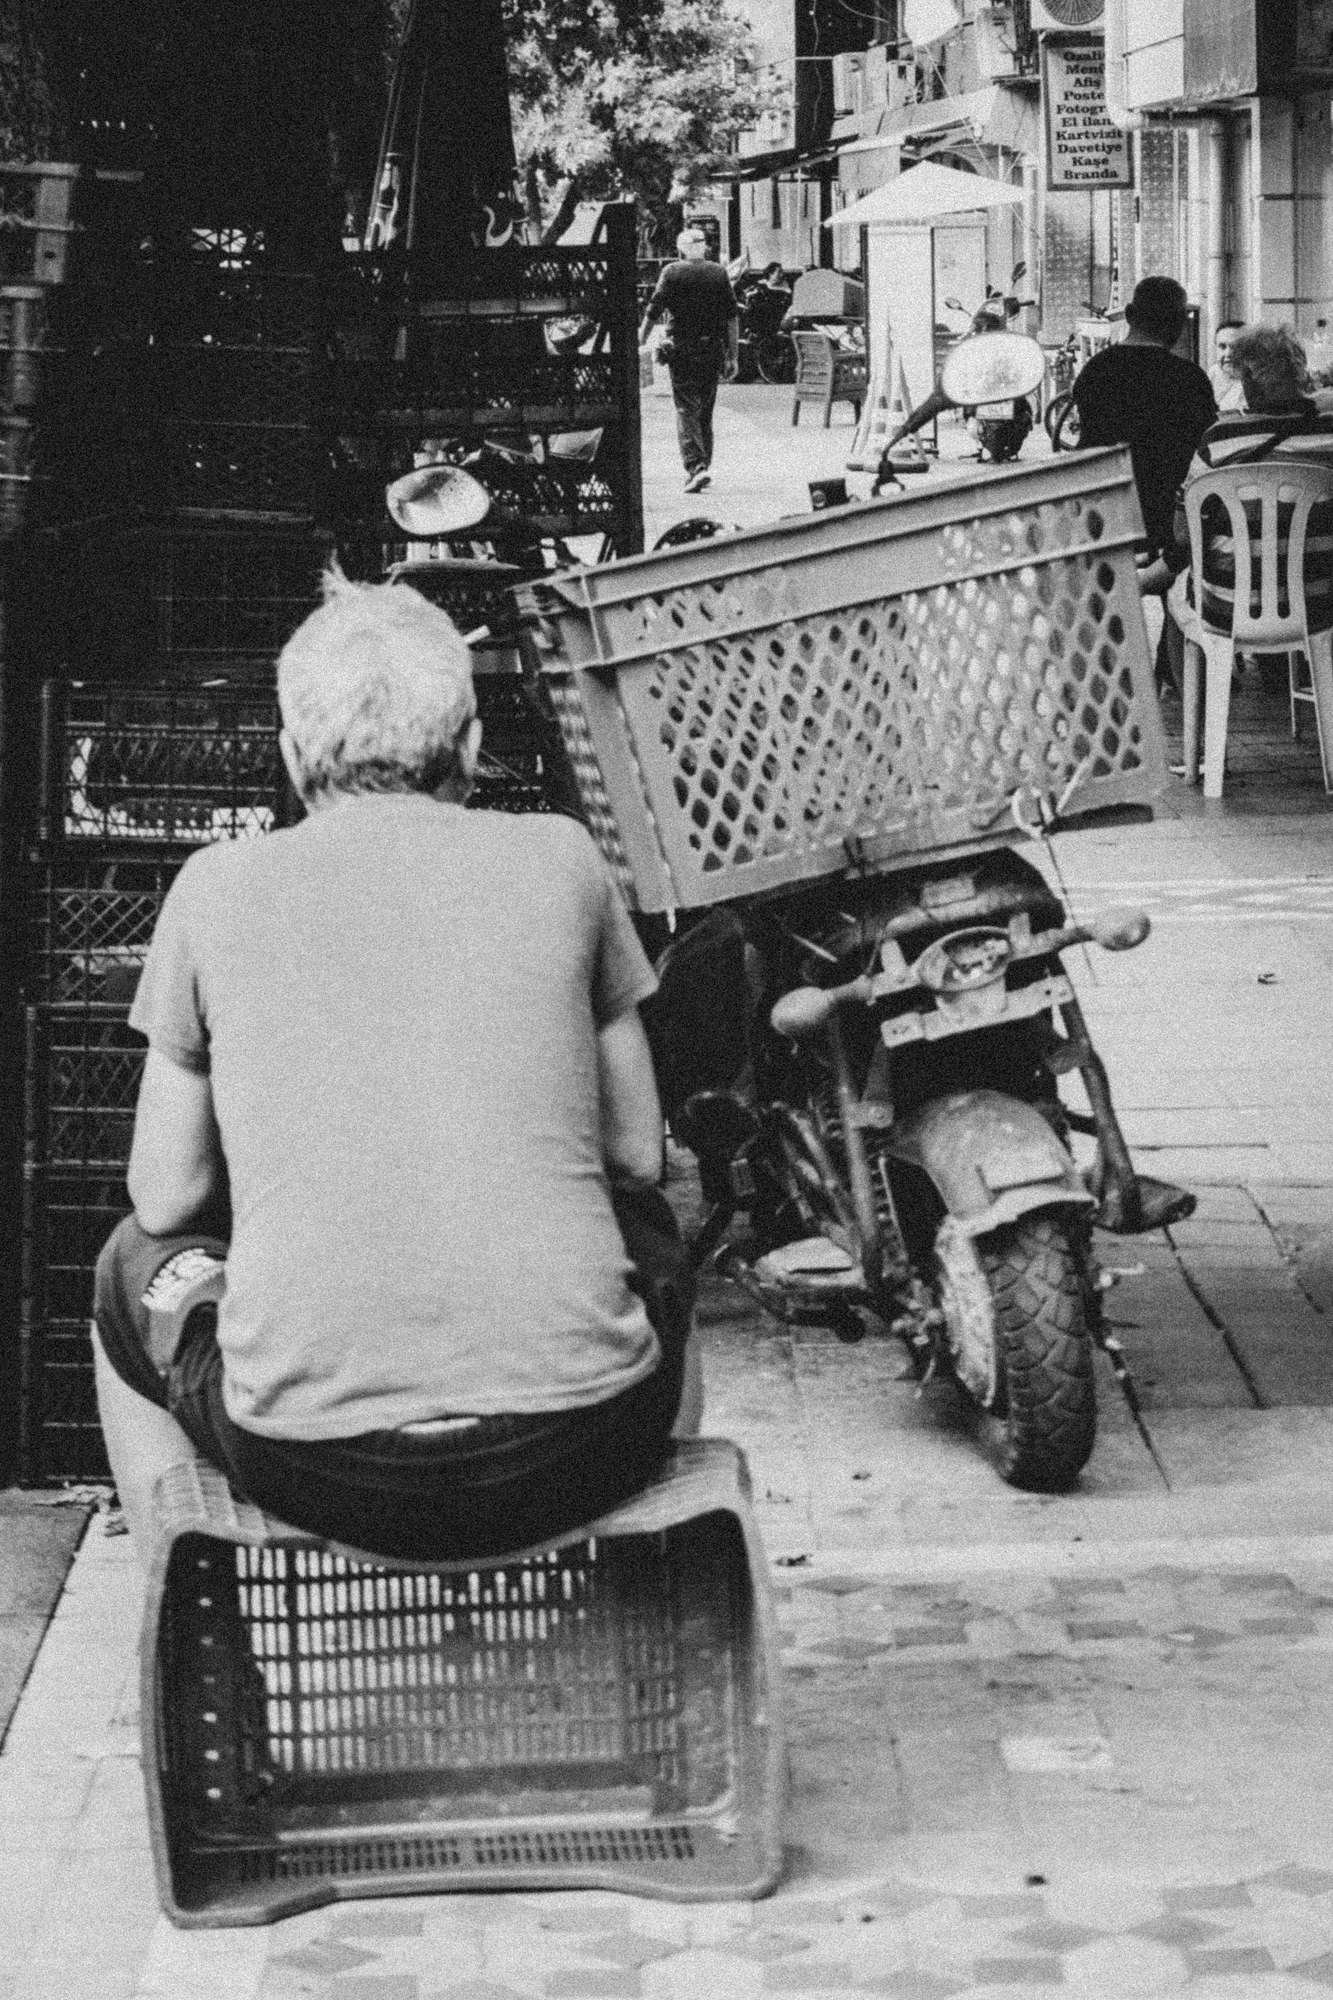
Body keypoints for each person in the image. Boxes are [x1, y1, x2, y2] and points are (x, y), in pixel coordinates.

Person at [92, 571, 701, 1567]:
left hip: (315, 1461)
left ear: (292, 757)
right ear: (468, 748)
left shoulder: (214, 886)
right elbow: (636, 1152)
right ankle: (650, 1578)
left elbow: (166, 1194)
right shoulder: (564, 857)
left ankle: (197, 1607)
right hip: (577, 1442)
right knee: (656, 1238)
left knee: (126, 1269)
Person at [1162, 322, 1333, 687]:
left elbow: (1182, 533)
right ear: (1301, 376)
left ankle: (1196, 716)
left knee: (1175, 589)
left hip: (1229, 607)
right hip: (1321, 604)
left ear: (1250, 381)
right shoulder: (1328, 435)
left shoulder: (1219, 440)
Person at [1072, 276, 1217, 570]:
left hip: (1105, 515)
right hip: (1168, 523)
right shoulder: (1191, 380)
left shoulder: (1094, 371)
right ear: (1179, 323)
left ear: (1128, 314)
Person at [639, 225, 739, 493]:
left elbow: (654, 308)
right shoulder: (718, 273)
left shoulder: (671, 272)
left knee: (686, 408)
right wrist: (733, 356)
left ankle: (696, 467)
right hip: (712, 349)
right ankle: (703, 464)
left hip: (682, 350)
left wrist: (641, 337)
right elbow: (731, 317)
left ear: (681, 249)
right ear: (705, 247)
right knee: (705, 410)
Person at [1208, 321, 1247, 413]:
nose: (1228, 354)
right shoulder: (1212, 373)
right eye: (1222, 346)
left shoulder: (1258, 379)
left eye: (1235, 347)